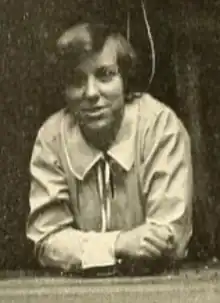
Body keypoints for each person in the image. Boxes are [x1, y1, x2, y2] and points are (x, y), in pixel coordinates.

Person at [26, 22, 193, 275]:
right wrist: (119, 244)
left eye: (105, 75)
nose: (91, 93)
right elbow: (46, 240)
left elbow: (168, 239)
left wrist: (85, 249)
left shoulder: (160, 126)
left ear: (126, 81)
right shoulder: (52, 138)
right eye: (77, 80)